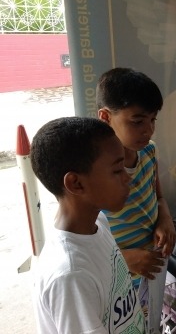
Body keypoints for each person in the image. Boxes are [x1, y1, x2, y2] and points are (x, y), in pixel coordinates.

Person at [32, 117, 146, 333]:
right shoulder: (71, 276)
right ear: (76, 183)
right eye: (117, 170)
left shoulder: (99, 223)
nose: (127, 178)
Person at [96, 67, 176, 290]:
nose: (148, 130)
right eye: (137, 121)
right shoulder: (94, 174)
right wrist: (125, 259)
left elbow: (158, 196)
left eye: (153, 120)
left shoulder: (149, 152)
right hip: (117, 281)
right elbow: (81, 243)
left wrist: (165, 219)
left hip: (151, 272)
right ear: (105, 117)